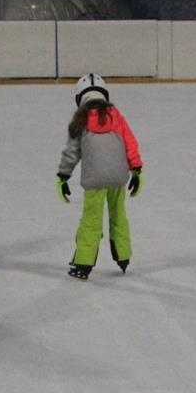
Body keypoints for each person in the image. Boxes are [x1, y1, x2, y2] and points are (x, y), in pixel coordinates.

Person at [56, 74, 142, 280]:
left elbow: (71, 152)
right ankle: (123, 256)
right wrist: (137, 170)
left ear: (80, 98)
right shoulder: (117, 116)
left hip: (94, 181)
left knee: (91, 220)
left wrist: (63, 176)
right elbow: (130, 143)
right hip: (118, 177)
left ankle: (83, 263)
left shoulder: (80, 121)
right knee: (119, 215)